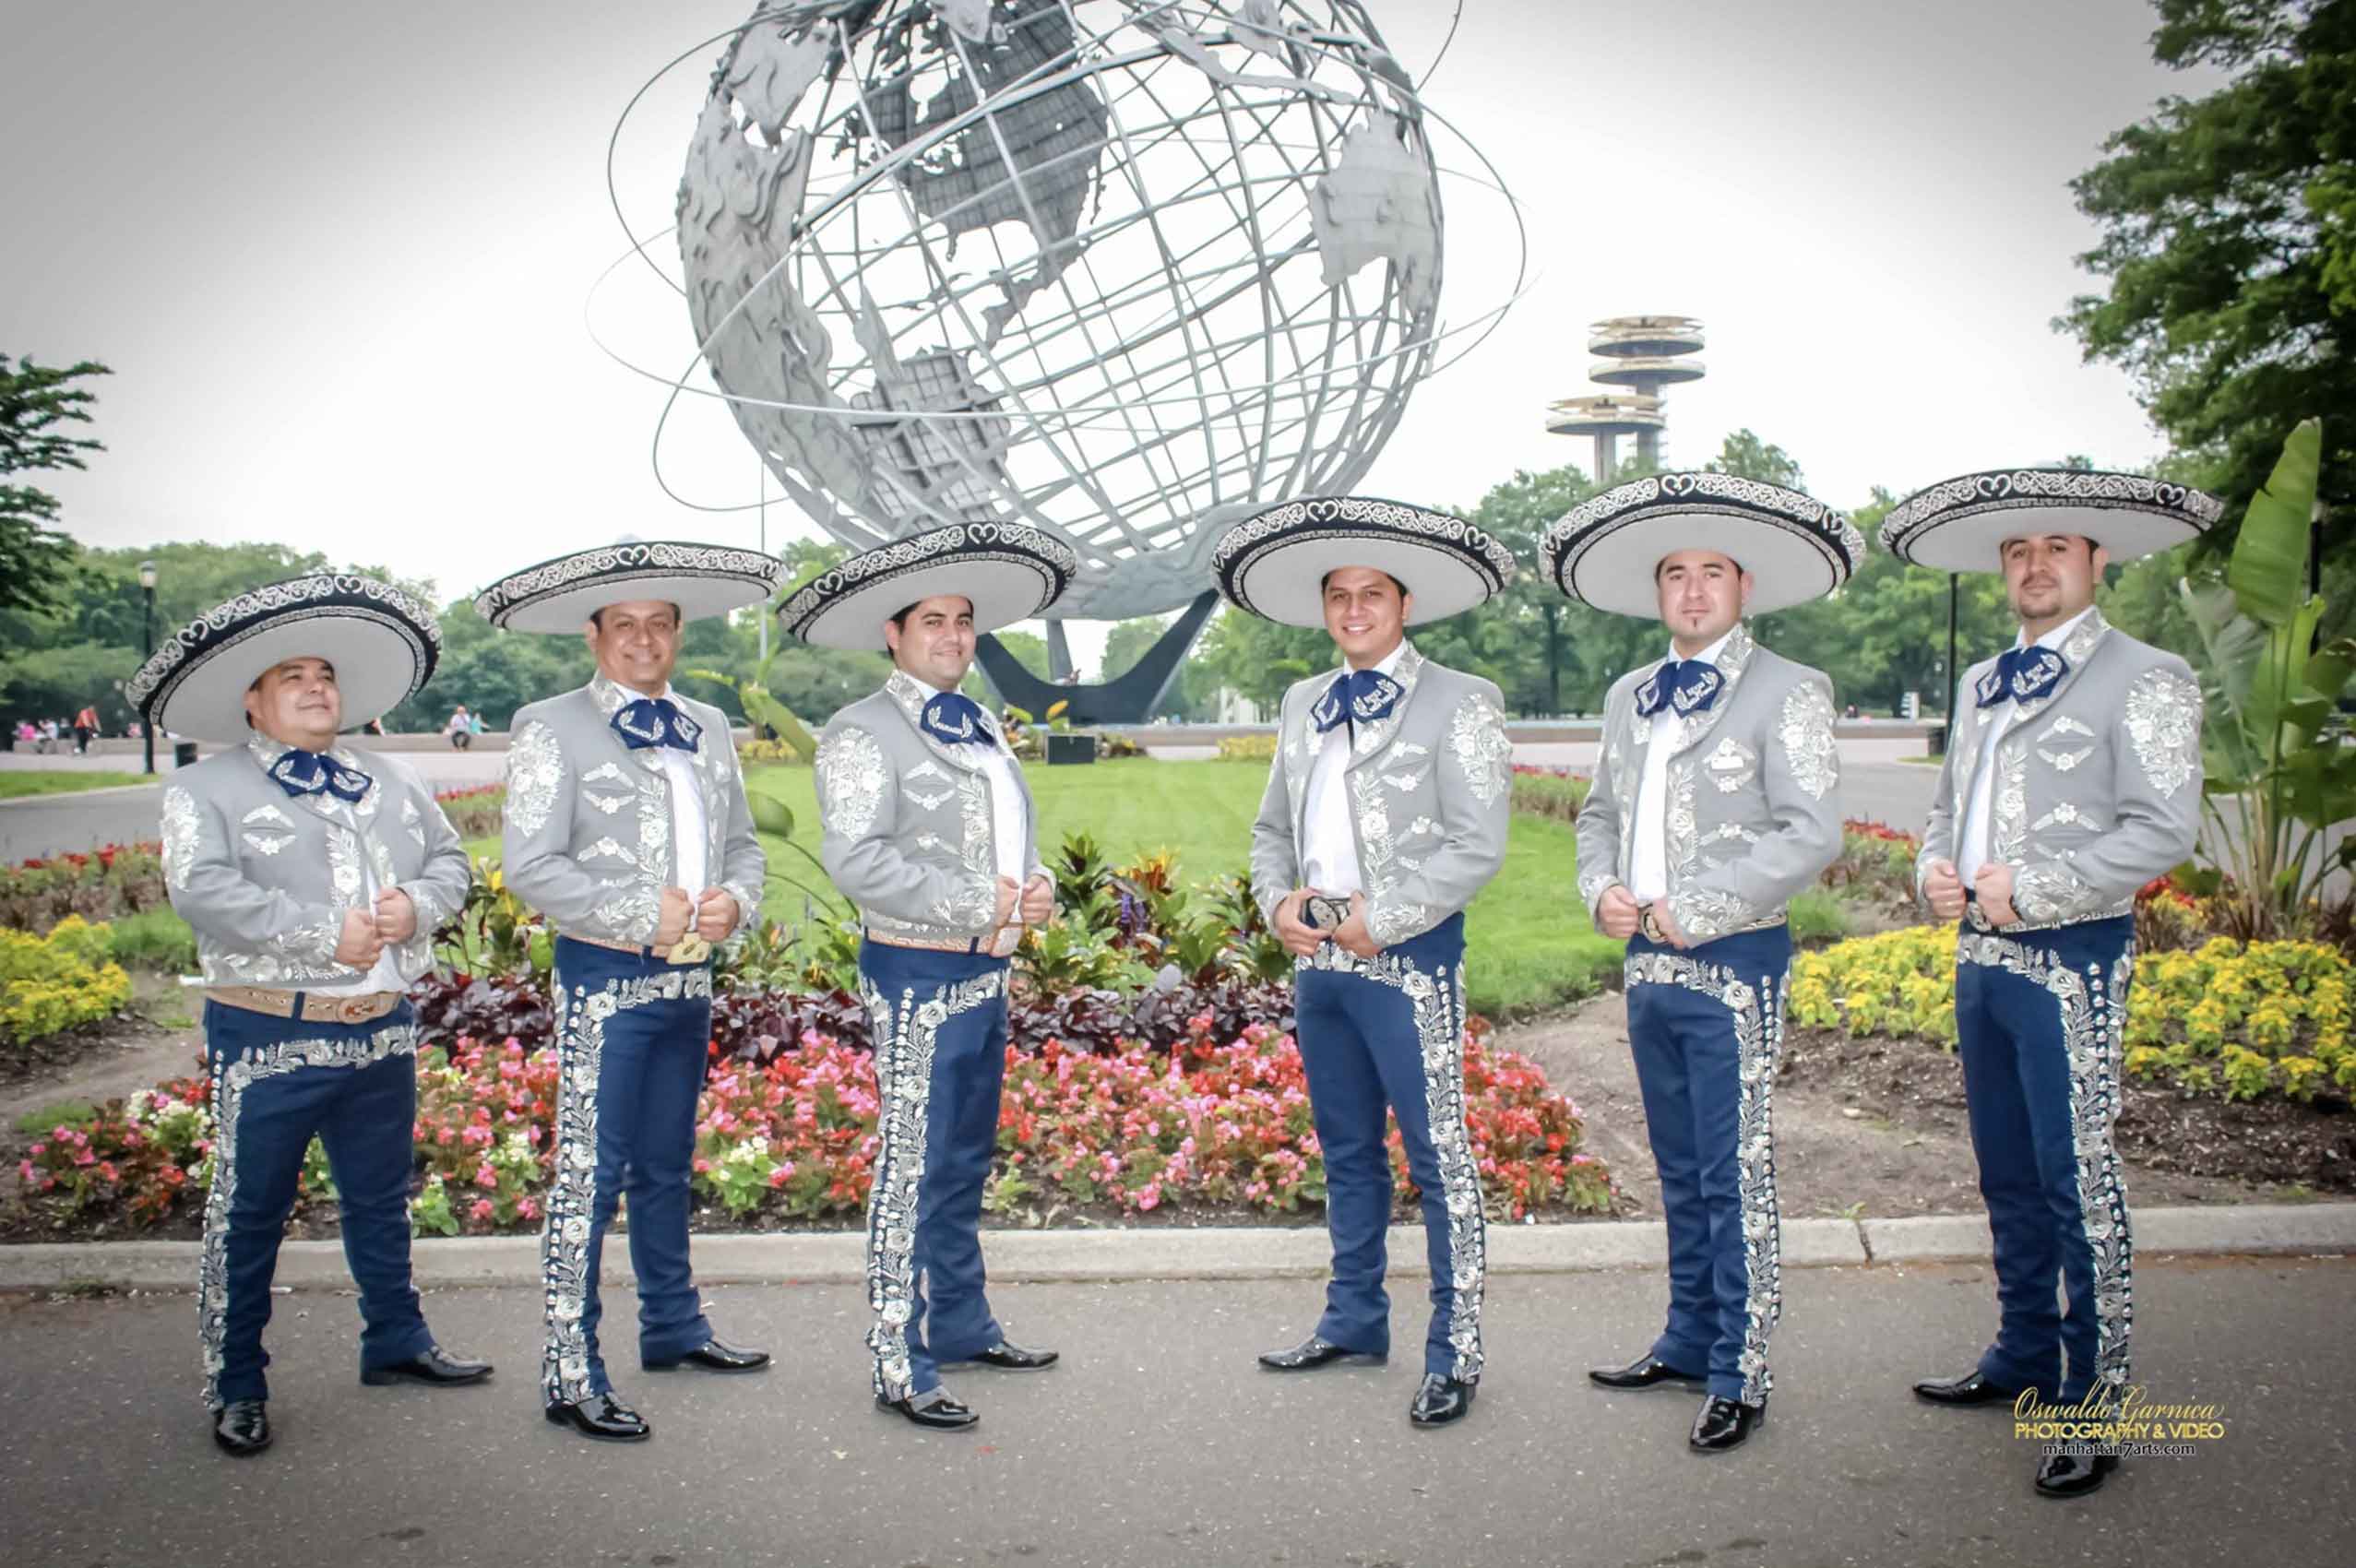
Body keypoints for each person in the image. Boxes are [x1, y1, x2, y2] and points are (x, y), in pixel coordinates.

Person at [1878, 469, 2215, 1499]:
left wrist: (2036, 887)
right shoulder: (1983, 679)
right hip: (1980, 960)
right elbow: (1947, 807)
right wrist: (1932, 869)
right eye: (2019, 552)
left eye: (2056, 548)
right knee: (2006, 1171)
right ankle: (2023, 1351)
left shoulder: (2147, 675)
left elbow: (2163, 827)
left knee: (2078, 1178)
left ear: (2095, 561)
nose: (2035, 566)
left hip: (2072, 959)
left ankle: (2096, 1396)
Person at [129, 573, 492, 1458]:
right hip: (271, 1029)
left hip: (382, 1024)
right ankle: (236, 1383)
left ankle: (396, 1341)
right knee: (250, 1210)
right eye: (290, 676)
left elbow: (451, 863)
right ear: (252, 702)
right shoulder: (204, 788)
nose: (315, 687)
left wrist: (415, 905)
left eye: (323, 674)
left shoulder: (394, 776)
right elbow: (201, 891)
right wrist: (323, 934)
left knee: (381, 1197)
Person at [1547, 472, 1860, 1455]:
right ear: (1658, 591)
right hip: (1647, 961)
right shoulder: (1629, 695)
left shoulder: (1789, 688)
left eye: (1710, 573)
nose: (1691, 591)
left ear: (1743, 586)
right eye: (1675, 574)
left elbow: (1810, 831)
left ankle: (1740, 1366)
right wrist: (1599, 886)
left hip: (1735, 961)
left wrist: (1707, 904)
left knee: (1733, 1169)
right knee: (1677, 1164)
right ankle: (1687, 1337)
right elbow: (1599, 813)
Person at [1214, 494, 1517, 1430]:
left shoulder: (1462, 698)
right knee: (1346, 1149)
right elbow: (1273, 828)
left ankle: (1455, 1350)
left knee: (1437, 1155)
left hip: (1407, 959)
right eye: (1338, 596)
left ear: (1403, 604)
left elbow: (1477, 843)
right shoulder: (1303, 701)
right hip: (1320, 963)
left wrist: (1380, 920)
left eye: (1371, 594)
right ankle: (1352, 1321)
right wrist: (1277, 902)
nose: (1354, 610)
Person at [476, 538, 782, 1443]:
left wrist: (737, 902)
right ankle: (570, 1367)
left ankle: (674, 1328)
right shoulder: (551, 724)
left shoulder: (707, 723)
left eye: (659, 624)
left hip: (689, 979)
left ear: (678, 633)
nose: (643, 639)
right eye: (624, 624)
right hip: (606, 977)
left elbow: (743, 846)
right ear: (594, 634)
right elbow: (531, 864)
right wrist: (637, 913)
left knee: (666, 1163)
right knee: (589, 1173)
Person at [780, 520, 1076, 1431]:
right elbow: (858, 860)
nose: (953, 636)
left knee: (961, 1159)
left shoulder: (980, 722)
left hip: (985, 973)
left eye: (963, 621)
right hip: (915, 972)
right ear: (894, 633)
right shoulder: (860, 730)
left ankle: (960, 1323)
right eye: (933, 621)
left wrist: (1036, 884)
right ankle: (895, 1356)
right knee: (910, 1163)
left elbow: (1003, 836)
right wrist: (981, 899)